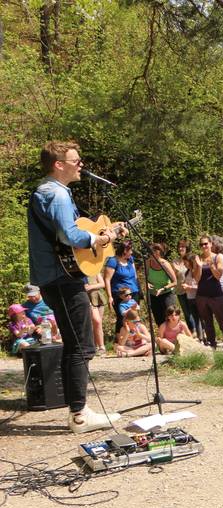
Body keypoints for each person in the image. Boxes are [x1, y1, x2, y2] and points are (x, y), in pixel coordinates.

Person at [27, 141, 123, 432]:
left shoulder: (47, 192)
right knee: (82, 345)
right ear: (59, 164)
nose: (81, 164)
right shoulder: (56, 194)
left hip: (53, 277)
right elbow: (69, 235)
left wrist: (98, 233)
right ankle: (79, 415)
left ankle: (78, 410)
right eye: (75, 160)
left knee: (75, 343)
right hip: (63, 278)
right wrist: (102, 240)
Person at [192, 235, 223, 351]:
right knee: (207, 321)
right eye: (201, 244)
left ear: (211, 244)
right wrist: (200, 267)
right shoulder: (197, 258)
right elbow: (196, 279)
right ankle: (212, 344)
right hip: (202, 295)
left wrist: (211, 266)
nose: (204, 246)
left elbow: (218, 276)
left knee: (222, 320)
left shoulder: (217, 258)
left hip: (216, 294)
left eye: (206, 243)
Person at [172, 239, 202, 341]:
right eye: (179, 247)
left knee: (196, 312)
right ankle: (192, 331)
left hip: (193, 290)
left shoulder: (191, 258)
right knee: (186, 313)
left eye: (183, 247)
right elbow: (174, 276)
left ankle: (200, 332)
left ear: (187, 248)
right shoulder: (175, 261)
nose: (180, 248)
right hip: (181, 290)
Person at [145, 242, 177, 326]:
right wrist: (147, 283)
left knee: (170, 317)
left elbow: (175, 282)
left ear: (159, 253)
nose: (152, 254)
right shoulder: (148, 263)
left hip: (166, 294)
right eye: (151, 252)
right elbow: (146, 277)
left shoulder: (165, 264)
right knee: (159, 319)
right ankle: (162, 337)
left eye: (155, 252)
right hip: (153, 295)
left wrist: (163, 288)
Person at [84, 273, 107, 349]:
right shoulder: (79, 272)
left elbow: (102, 284)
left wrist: (90, 287)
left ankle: (99, 346)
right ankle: (96, 346)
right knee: (94, 322)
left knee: (98, 323)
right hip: (87, 298)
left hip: (98, 298)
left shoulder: (95, 270)